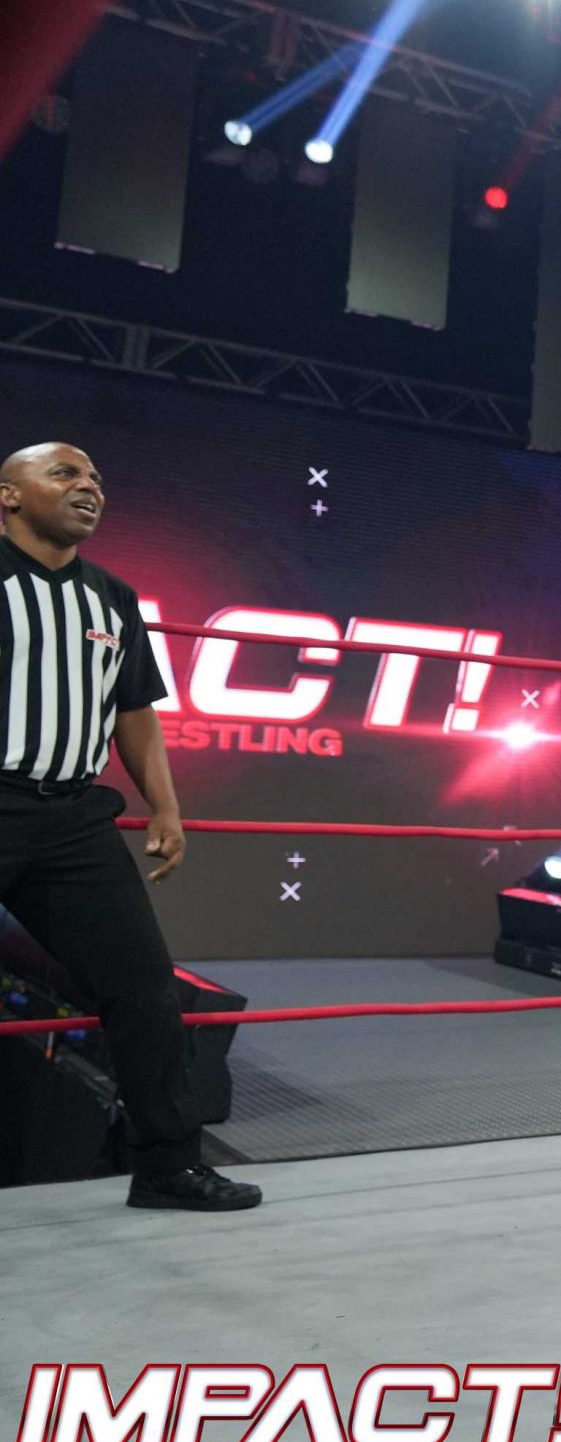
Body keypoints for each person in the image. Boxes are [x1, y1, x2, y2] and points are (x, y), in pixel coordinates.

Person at [0, 443, 258, 1210]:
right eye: (65, 473)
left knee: (145, 989)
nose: (88, 486)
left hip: (73, 818)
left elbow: (134, 710)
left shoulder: (111, 597)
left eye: (96, 479)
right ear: (8, 495)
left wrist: (166, 805)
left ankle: (168, 1167)